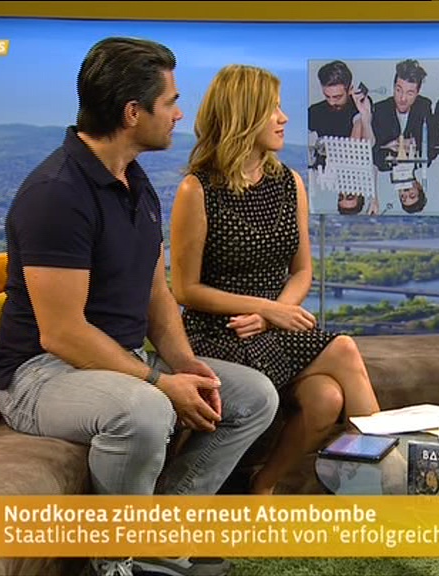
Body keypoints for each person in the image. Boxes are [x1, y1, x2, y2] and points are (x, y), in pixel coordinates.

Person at [0, 38, 278, 576]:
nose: (179, 114)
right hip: (39, 375)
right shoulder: (57, 194)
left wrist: (187, 365)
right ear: (132, 113)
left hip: (116, 359)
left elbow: (155, 295)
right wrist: (158, 382)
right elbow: (61, 334)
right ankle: (113, 562)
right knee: (145, 410)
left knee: (253, 396)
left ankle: (158, 534)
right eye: (171, 102)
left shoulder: (135, 182)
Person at [171, 64, 381, 495]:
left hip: (273, 324)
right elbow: (186, 289)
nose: (284, 119)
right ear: (244, 115)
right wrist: (264, 310)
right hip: (220, 332)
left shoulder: (289, 183)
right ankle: (385, 485)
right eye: (273, 109)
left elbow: (302, 271)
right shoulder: (197, 189)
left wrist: (273, 314)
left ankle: (262, 487)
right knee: (343, 348)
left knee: (326, 398)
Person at [307, 60, 373, 168]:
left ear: (350, 89)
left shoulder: (360, 105)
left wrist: (364, 116)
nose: (331, 102)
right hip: (320, 172)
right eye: (327, 96)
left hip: (352, 170)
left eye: (337, 97)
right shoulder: (314, 111)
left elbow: (362, 147)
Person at [370, 59, 432, 171]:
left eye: (410, 93)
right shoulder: (380, 110)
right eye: (398, 90)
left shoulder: (424, 106)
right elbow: (374, 152)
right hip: (387, 171)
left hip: (413, 169)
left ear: (417, 93)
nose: (402, 98)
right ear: (393, 87)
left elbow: (430, 145)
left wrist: (413, 143)